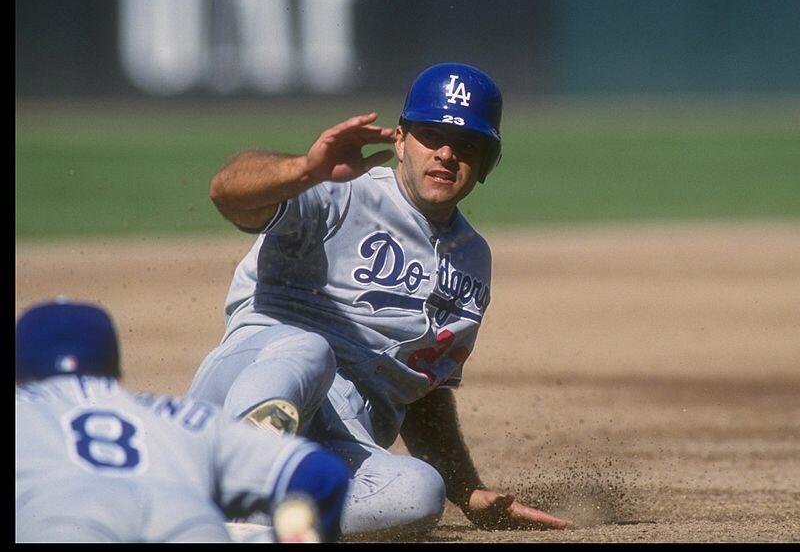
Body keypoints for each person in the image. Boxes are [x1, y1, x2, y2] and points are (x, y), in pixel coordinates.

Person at [187, 62, 573, 537]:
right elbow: (227, 194)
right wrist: (306, 170)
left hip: (338, 443)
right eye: (432, 135)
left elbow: (422, 390)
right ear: (400, 140)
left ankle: (249, 523)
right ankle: (227, 472)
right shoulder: (337, 192)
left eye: (468, 144)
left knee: (420, 493)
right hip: (253, 382)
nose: (447, 154)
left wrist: (467, 489)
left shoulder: (473, 261)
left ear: (488, 162)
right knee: (311, 351)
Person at [15, 298, 350, 543]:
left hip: (62, 525)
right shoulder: (177, 415)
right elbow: (323, 475)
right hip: (187, 523)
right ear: (115, 370)